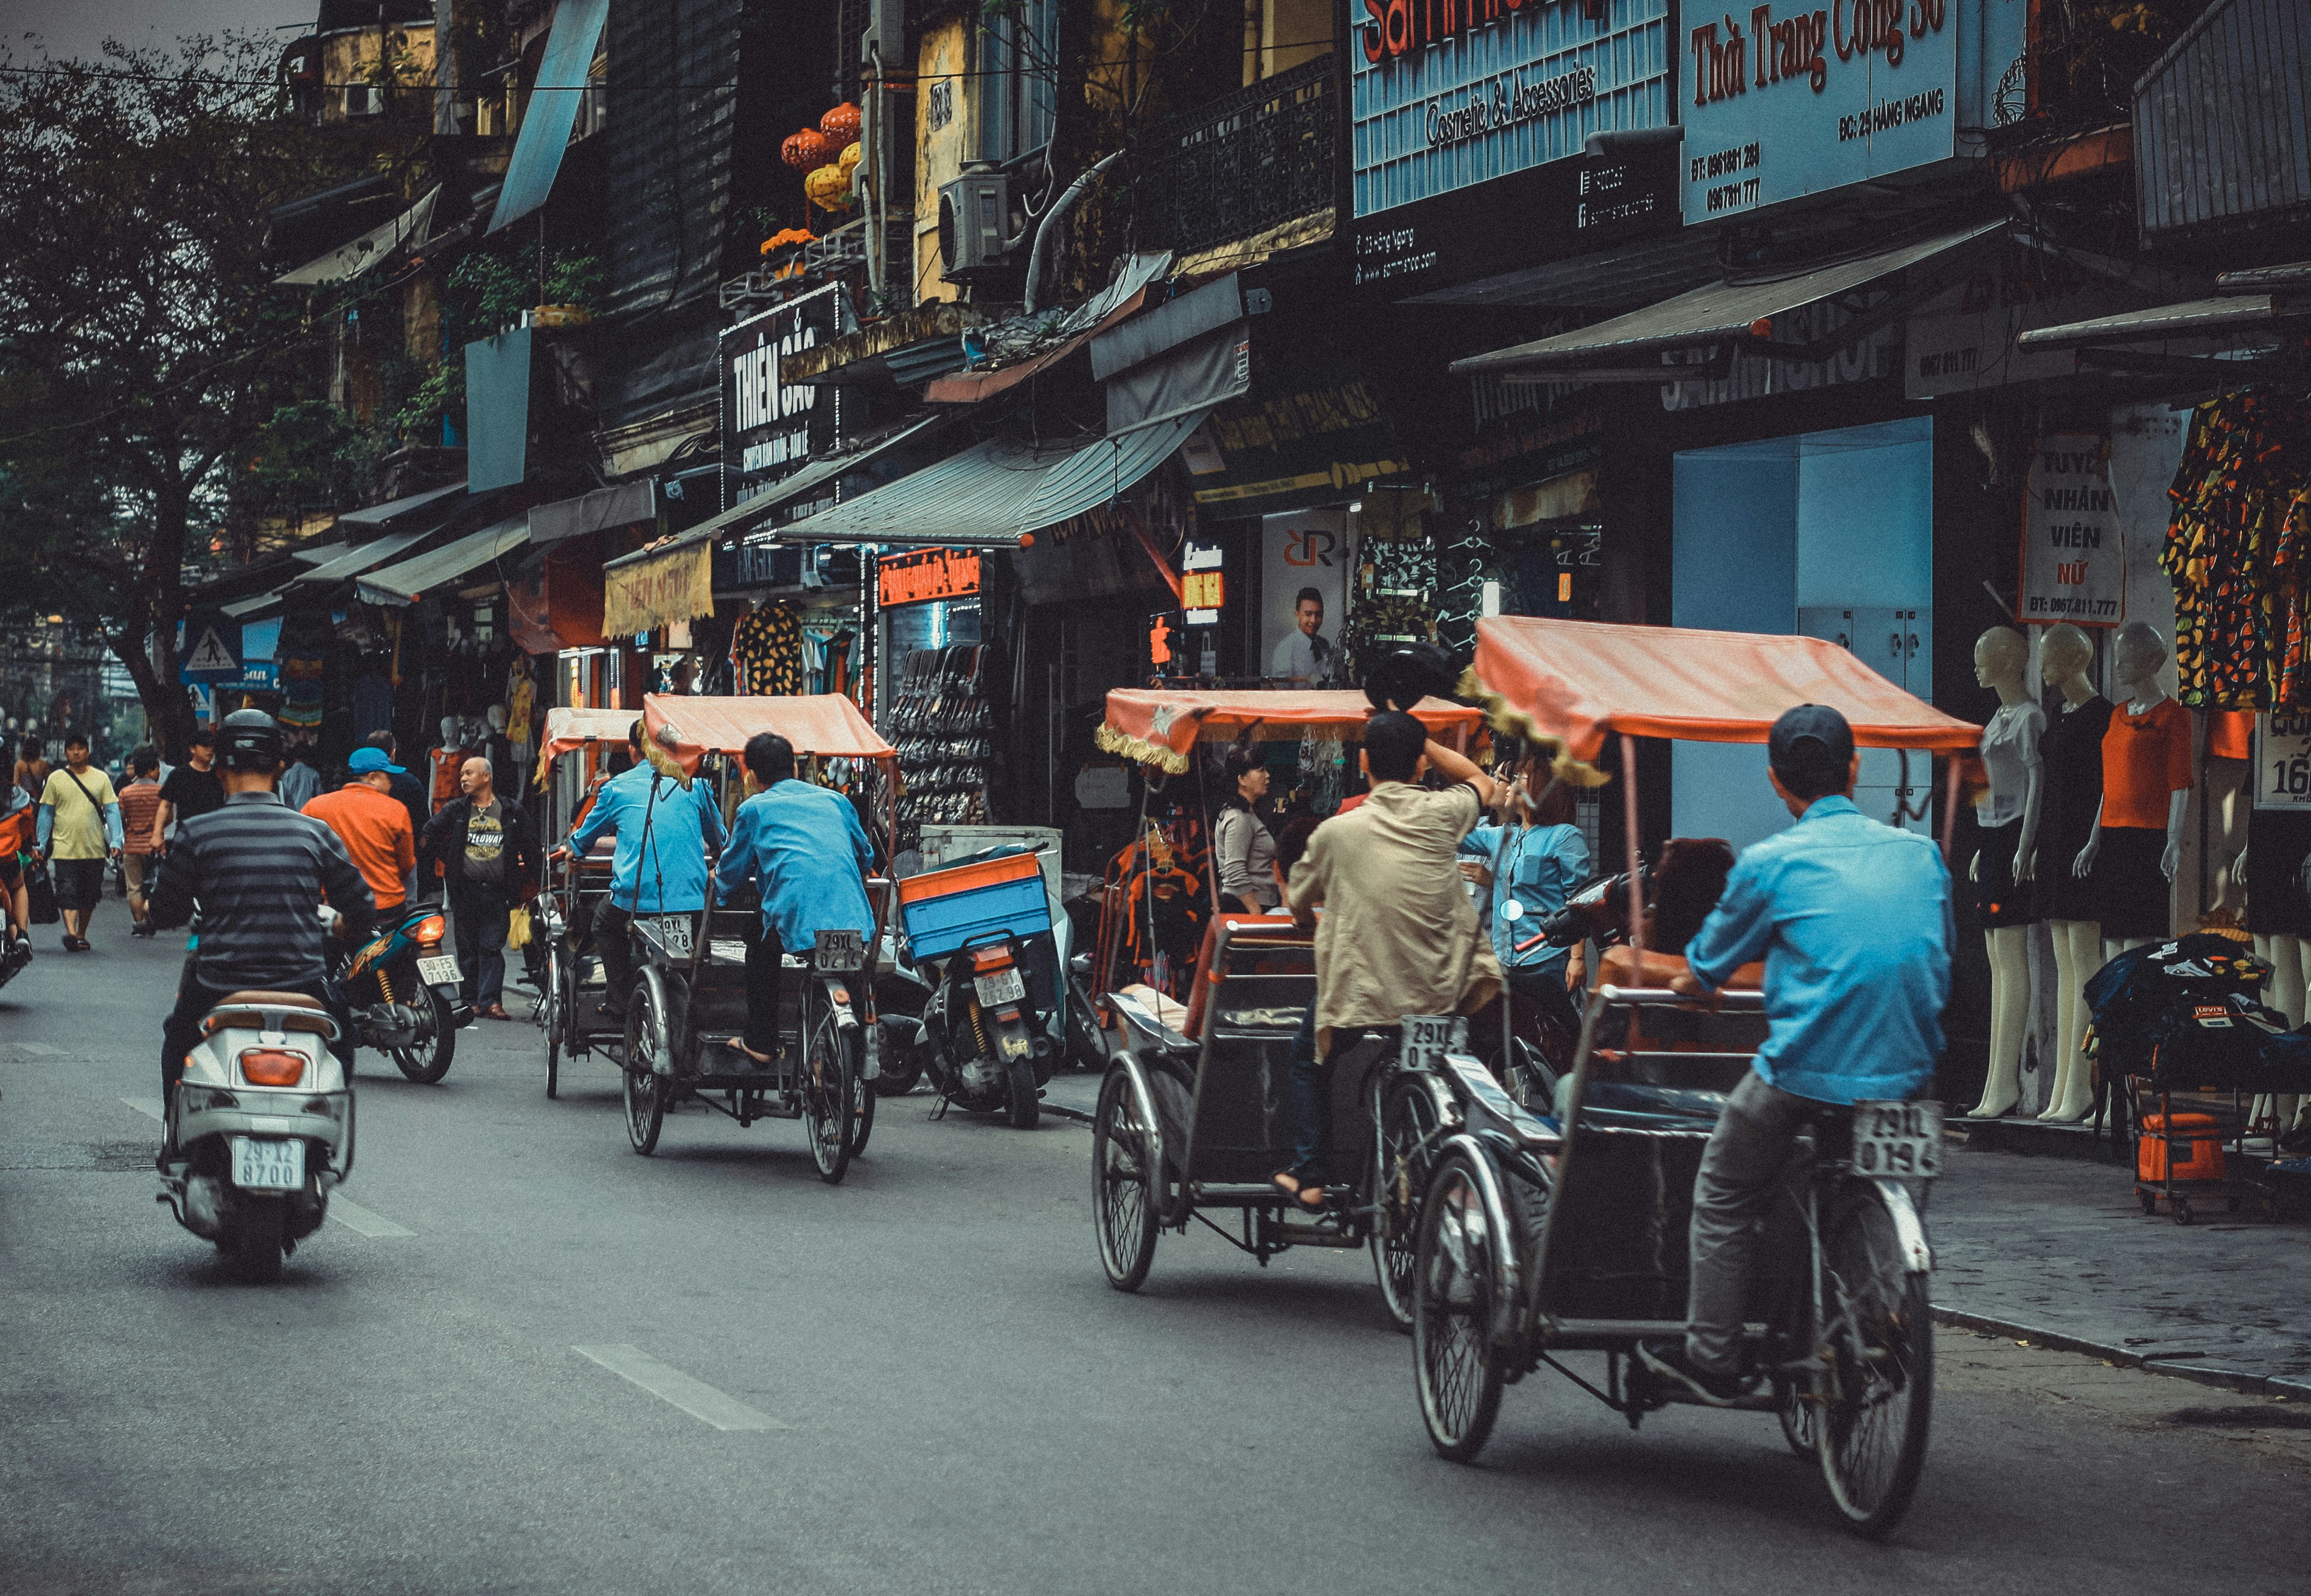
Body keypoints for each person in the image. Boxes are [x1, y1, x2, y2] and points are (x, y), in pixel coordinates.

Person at [1641, 705, 1954, 1403]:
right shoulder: (1920, 854)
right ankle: (1881, 1319)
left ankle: (1713, 1355)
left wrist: (1691, 983)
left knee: (1722, 1188)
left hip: (1803, 1070)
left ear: (1777, 783)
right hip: (1912, 1076)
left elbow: (1707, 966)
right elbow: (1937, 954)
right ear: (1855, 769)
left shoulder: (1771, 862)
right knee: (1885, 1185)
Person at [1277, 710, 1499, 1207]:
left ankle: (1311, 1175)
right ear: (1421, 767)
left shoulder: (1338, 832)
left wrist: (1307, 922)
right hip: (1438, 991)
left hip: (1365, 994)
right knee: (1449, 1066)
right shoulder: (1444, 813)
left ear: (1362, 762)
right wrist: (1424, 742)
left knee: (1308, 1060)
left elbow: (1298, 898)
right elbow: (1483, 782)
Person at [148, 710, 372, 1152]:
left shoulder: (197, 832)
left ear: (220, 770)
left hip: (218, 985)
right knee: (343, 1040)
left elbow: (164, 911)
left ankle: (174, 1138)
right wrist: (344, 925)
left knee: (177, 1042)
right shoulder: (314, 832)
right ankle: (325, 1149)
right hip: (304, 985)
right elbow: (362, 906)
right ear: (280, 768)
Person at [714, 732, 874, 1067]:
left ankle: (761, 1041)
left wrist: (723, 893)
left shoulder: (754, 809)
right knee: (850, 971)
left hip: (795, 919)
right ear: (796, 769)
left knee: (757, 942)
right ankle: (860, 1051)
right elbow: (865, 856)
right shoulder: (836, 802)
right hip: (853, 918)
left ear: (753, 776)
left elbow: (732, 872)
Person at [567, 720, 723, 1022]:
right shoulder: (697, 785)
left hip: (635, 901)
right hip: (690, 900)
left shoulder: (615, 788)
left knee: (603, 924)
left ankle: (619, 1001)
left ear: (632, 751)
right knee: (694, 952)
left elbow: (583, 840)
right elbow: (721, 840)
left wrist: (574, 849)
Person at [1457, 756, 1590, 1040]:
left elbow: (1578, 903)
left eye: (1521, 778)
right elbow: (1455, 834)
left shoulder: (1565, 837)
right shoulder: (1502, 835)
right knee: (1510, 1036)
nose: (1512, 785)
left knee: (1553, 1036)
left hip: (1547, 960)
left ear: (1540, 787)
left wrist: (1577, 958)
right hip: (1505, 960)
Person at [419, 755, 540, 1021]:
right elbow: (428, 834)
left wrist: (539, 883)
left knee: (492, 946)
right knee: (467, 948)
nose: (463, 779)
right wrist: (450, 858)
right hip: (465, 890)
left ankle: (491, 1001)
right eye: (462, 774)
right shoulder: (456, 810)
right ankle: (470, 1001)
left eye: (469, 773)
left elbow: (531, 848)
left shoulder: (511, 811)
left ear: (487, 777)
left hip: (498, 891)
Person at [304, 747, 418, 916]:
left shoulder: (315, 807)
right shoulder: (396, 810)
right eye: (388, 777)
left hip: (338, 909)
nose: (392, 783)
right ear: (372, 777)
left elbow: (300, 852)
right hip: (387, 908)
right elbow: (407, 864)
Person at [34, 733, 122, 952]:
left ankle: (81, 933)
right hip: (64, 847)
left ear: (87, 752)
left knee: (90, 894)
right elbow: (46, 813)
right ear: (66, 753)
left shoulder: (101, 778)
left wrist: (117, 841)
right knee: (67, 890)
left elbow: (112, 810)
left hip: (94, 848)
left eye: (80, 748)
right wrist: (41, 844)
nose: (76, 752)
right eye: (71, 749)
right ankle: (71, 933)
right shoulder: (56, 779)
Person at [1213, 745, 1281, 914]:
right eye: (1261, 771)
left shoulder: (1247, 814)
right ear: (1242, 779)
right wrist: (1255, 912)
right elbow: (1235, 870)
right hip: (1245, 907)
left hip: (1254, 904)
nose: (1267, 776)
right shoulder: (1238, 819)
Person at [116, 749, 167, 937]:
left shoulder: (125, 792)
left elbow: (122, 819)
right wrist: (157, 829)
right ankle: (150, 919)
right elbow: (169, 816)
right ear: (151, 770)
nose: (159, 773)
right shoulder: (161, 792)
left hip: (132, 845)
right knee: (154, 884)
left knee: (134, 887)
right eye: (157, 769)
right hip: (155, 845)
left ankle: (139, 922)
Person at [152, 727, 223, 849]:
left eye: (212, 746)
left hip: (214, 837)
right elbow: (165, 805)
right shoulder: (179, 775)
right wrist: (157, 834)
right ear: (193, 749)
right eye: (205, 746)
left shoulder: (220, 775)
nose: (210, 750)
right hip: (186, 837)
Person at [364, 731, 430, 843]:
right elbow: (422, 824)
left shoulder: (359, 782)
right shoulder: (411, 783)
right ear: (393, 753)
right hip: (404, 846)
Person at [0, 781, 35, 972]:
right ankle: (22, 934)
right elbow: (26, 827)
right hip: (7, 860)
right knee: (19, 886)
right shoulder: (16, 795)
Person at [1267, 587, 1334, 685]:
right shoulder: (1285, 648)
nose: (1313, 620)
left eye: (1318, 615)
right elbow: (1281, 691)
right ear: (1297, 615)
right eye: (1308, 614)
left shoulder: (1324, 644)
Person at [277, 742, 322, 812]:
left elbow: (282, 795)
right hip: (308, 813)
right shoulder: (314, 774)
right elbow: (320, 797)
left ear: (294, 757)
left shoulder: (287, 774)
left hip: (290, 813)